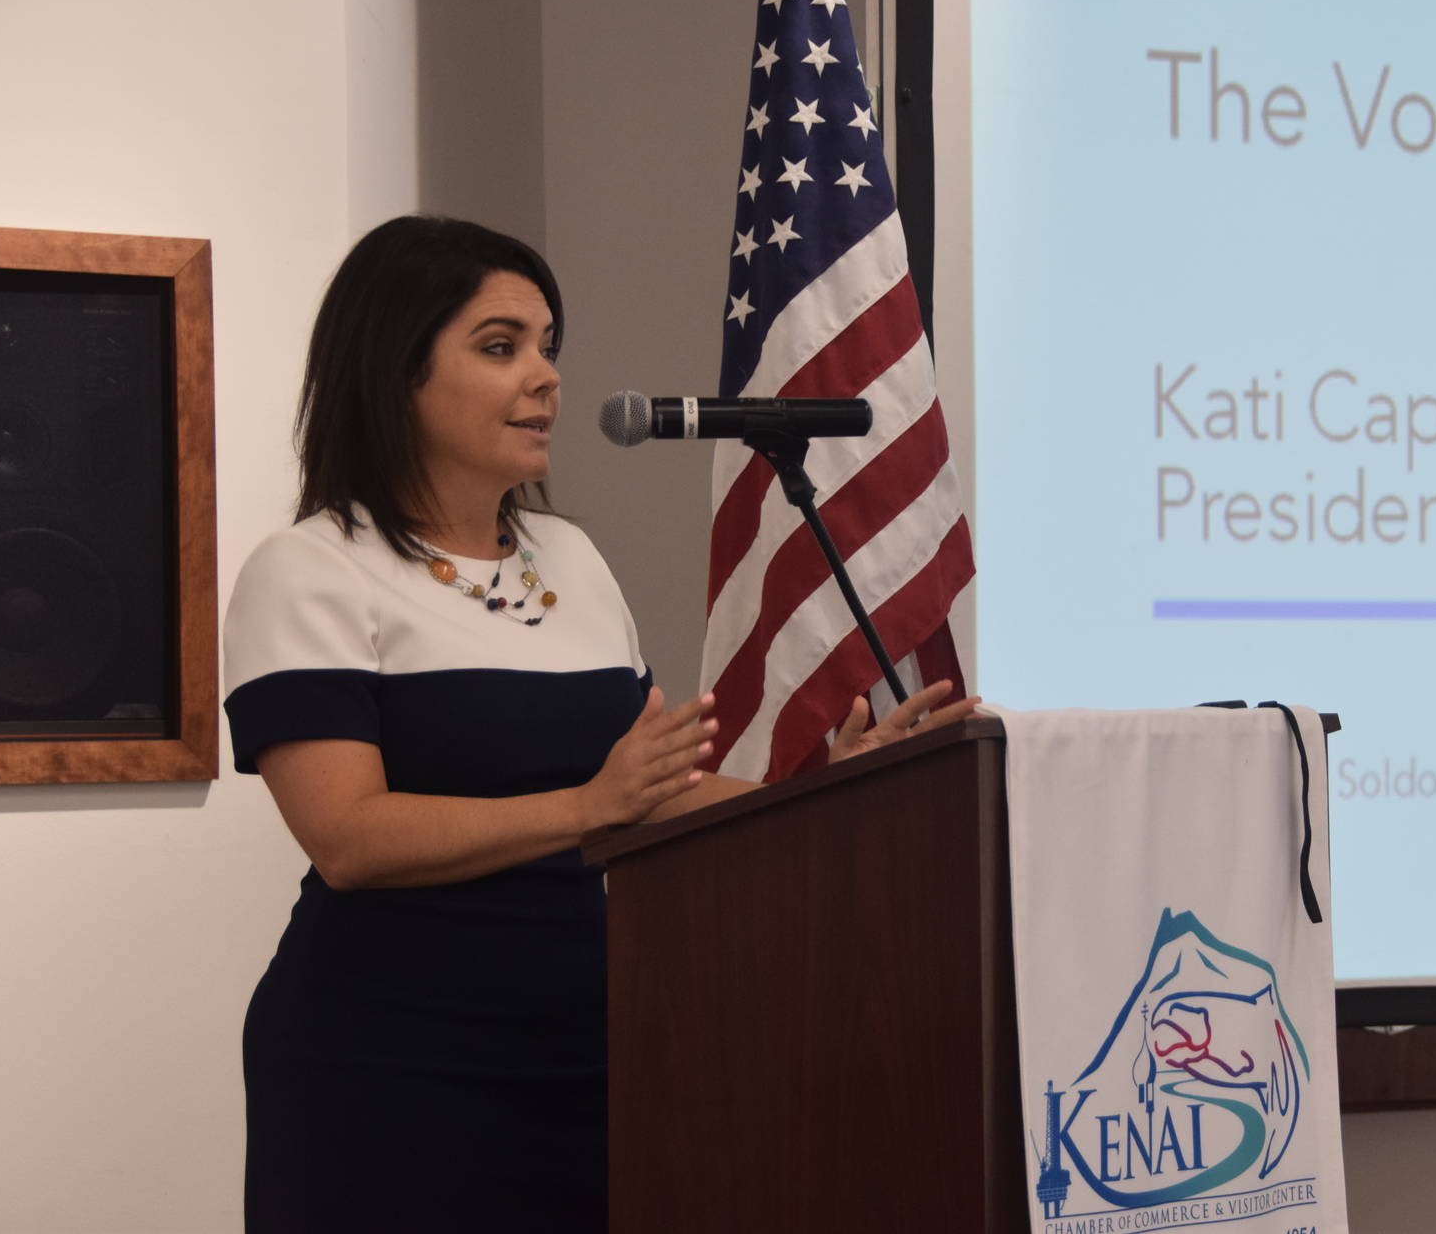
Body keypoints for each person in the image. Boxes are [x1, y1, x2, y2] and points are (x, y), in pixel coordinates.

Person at [221, 215, 976, 1232]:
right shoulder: (311, 567)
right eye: (500, 347)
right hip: (387, 1064)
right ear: (392, 370)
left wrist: (825, 795)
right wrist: (585, 806)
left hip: (594, 1054)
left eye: (547, 346)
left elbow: (649, 785)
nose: (545, 378)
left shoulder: (566, 557)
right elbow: (349, 835)